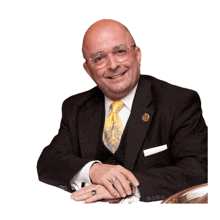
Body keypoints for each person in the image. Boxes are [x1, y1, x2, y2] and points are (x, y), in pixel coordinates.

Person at [37, 19, 207, 203]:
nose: (112, 65)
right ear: (88, 69)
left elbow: (199, 169)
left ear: (137, 55)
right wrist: (93, 170)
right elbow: (48, 162)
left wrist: (127, 187)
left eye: (120, 52)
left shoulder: (178, 102)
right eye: (99, 58)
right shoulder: (75, 107)